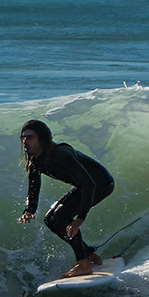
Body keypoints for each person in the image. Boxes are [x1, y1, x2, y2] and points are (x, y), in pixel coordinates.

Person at [17, 119, 115, 278]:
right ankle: (90, 255)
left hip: (101, 183)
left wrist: (80, 218)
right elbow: (33, 188)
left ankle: (83, 264)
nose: (24, 141)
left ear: (41, 138)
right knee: (50, 219)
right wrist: (29, 210)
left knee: (61, 215)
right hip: (85, 185)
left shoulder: (61, 155)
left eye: (29, 137)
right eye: (23, 138)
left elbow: (89, 184)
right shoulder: (35, 161)